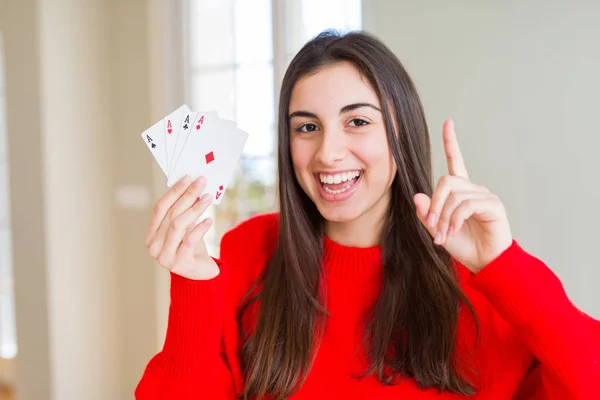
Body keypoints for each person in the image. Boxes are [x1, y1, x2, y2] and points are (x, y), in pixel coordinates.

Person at [135, 31, 599, 400]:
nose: (328, 152)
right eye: (307, 127)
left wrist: (505, 266)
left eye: (357, 121)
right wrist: (193, 284)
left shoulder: (482, 275)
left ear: (401, 132)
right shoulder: (248, 251)